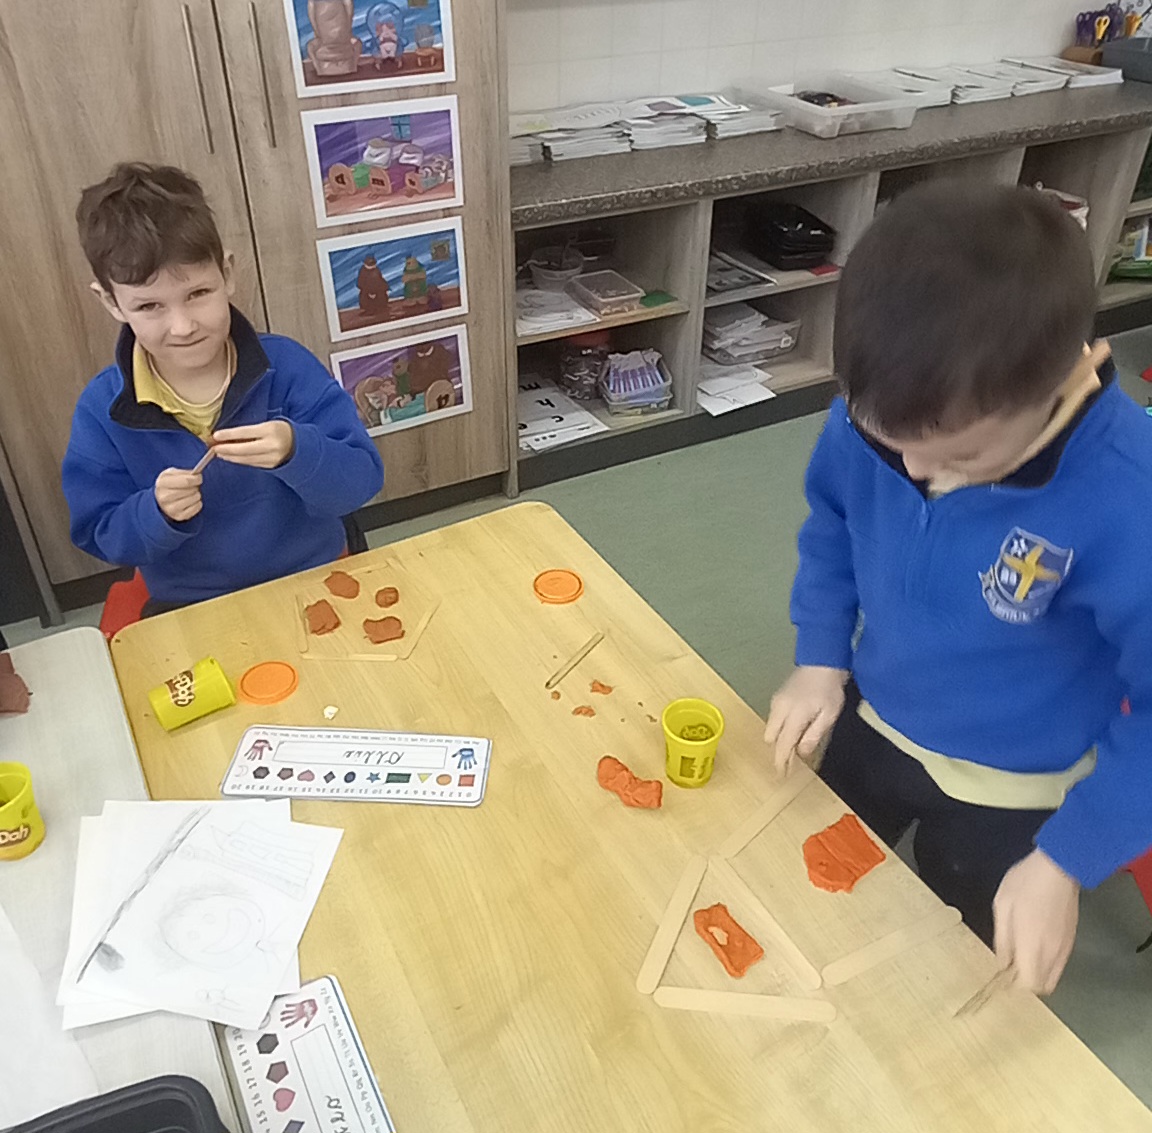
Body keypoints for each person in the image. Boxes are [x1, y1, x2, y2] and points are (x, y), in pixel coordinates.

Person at [764, 181, 1152, 996]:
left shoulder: (1128, 497)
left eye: (962, 458)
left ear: (1069, 376)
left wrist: (1065, 860)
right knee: (817, 897)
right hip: (873, 719)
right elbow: (832, 523)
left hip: (1013, 789)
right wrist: (821, 658)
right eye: (887, 439)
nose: (914, 470)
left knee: (957, 963)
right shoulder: (887, 413)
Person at [62, 163, 384, 613]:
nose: (182, 326)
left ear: (227, 274)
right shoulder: (102, 409)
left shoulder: (287, 367)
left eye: (198, 294)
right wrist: (153, 512)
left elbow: (361, 482)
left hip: (313, 575)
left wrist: (298, 450)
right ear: (111, 302)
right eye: (150, 306)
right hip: (193, 604)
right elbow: (101, 534)